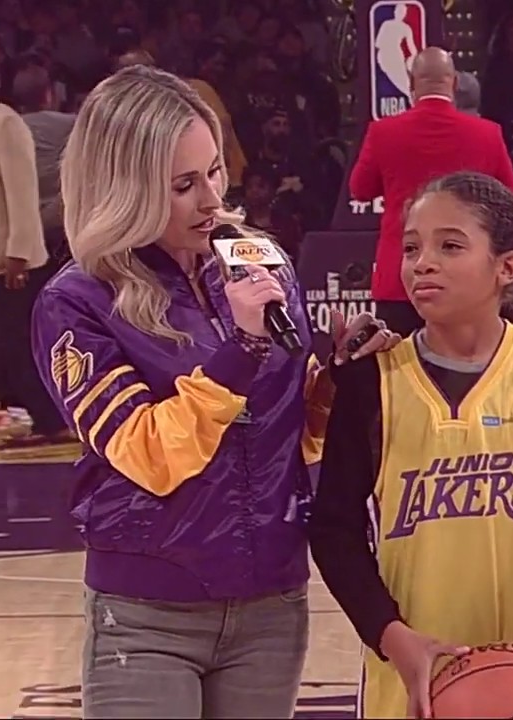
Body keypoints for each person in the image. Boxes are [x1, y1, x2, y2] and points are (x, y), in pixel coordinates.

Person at [30, 64, 397, 718]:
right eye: (183, 184)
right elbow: (149, 453)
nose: (212, 200)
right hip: (147, 613)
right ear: (124, 188)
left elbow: (292, 429)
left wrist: (338, 376)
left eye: (215, 172)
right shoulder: (77, 302)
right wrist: (243, 350)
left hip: (271, 601)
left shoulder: (262, 262)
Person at [308, 171, 513, 720]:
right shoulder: (370, 383)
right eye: (411, 247)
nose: (422, 262)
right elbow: (334, 531)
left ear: (507, 266)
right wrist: (390, 635)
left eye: (449, 245)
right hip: (405, 685)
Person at [349, 46, 513, 338]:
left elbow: (360, 190)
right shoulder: (487, 133)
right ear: (453, 83)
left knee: (397, 370)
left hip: (403, 274)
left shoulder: (383, 132)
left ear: (411, 84)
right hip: (470, 276)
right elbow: (509, 196)